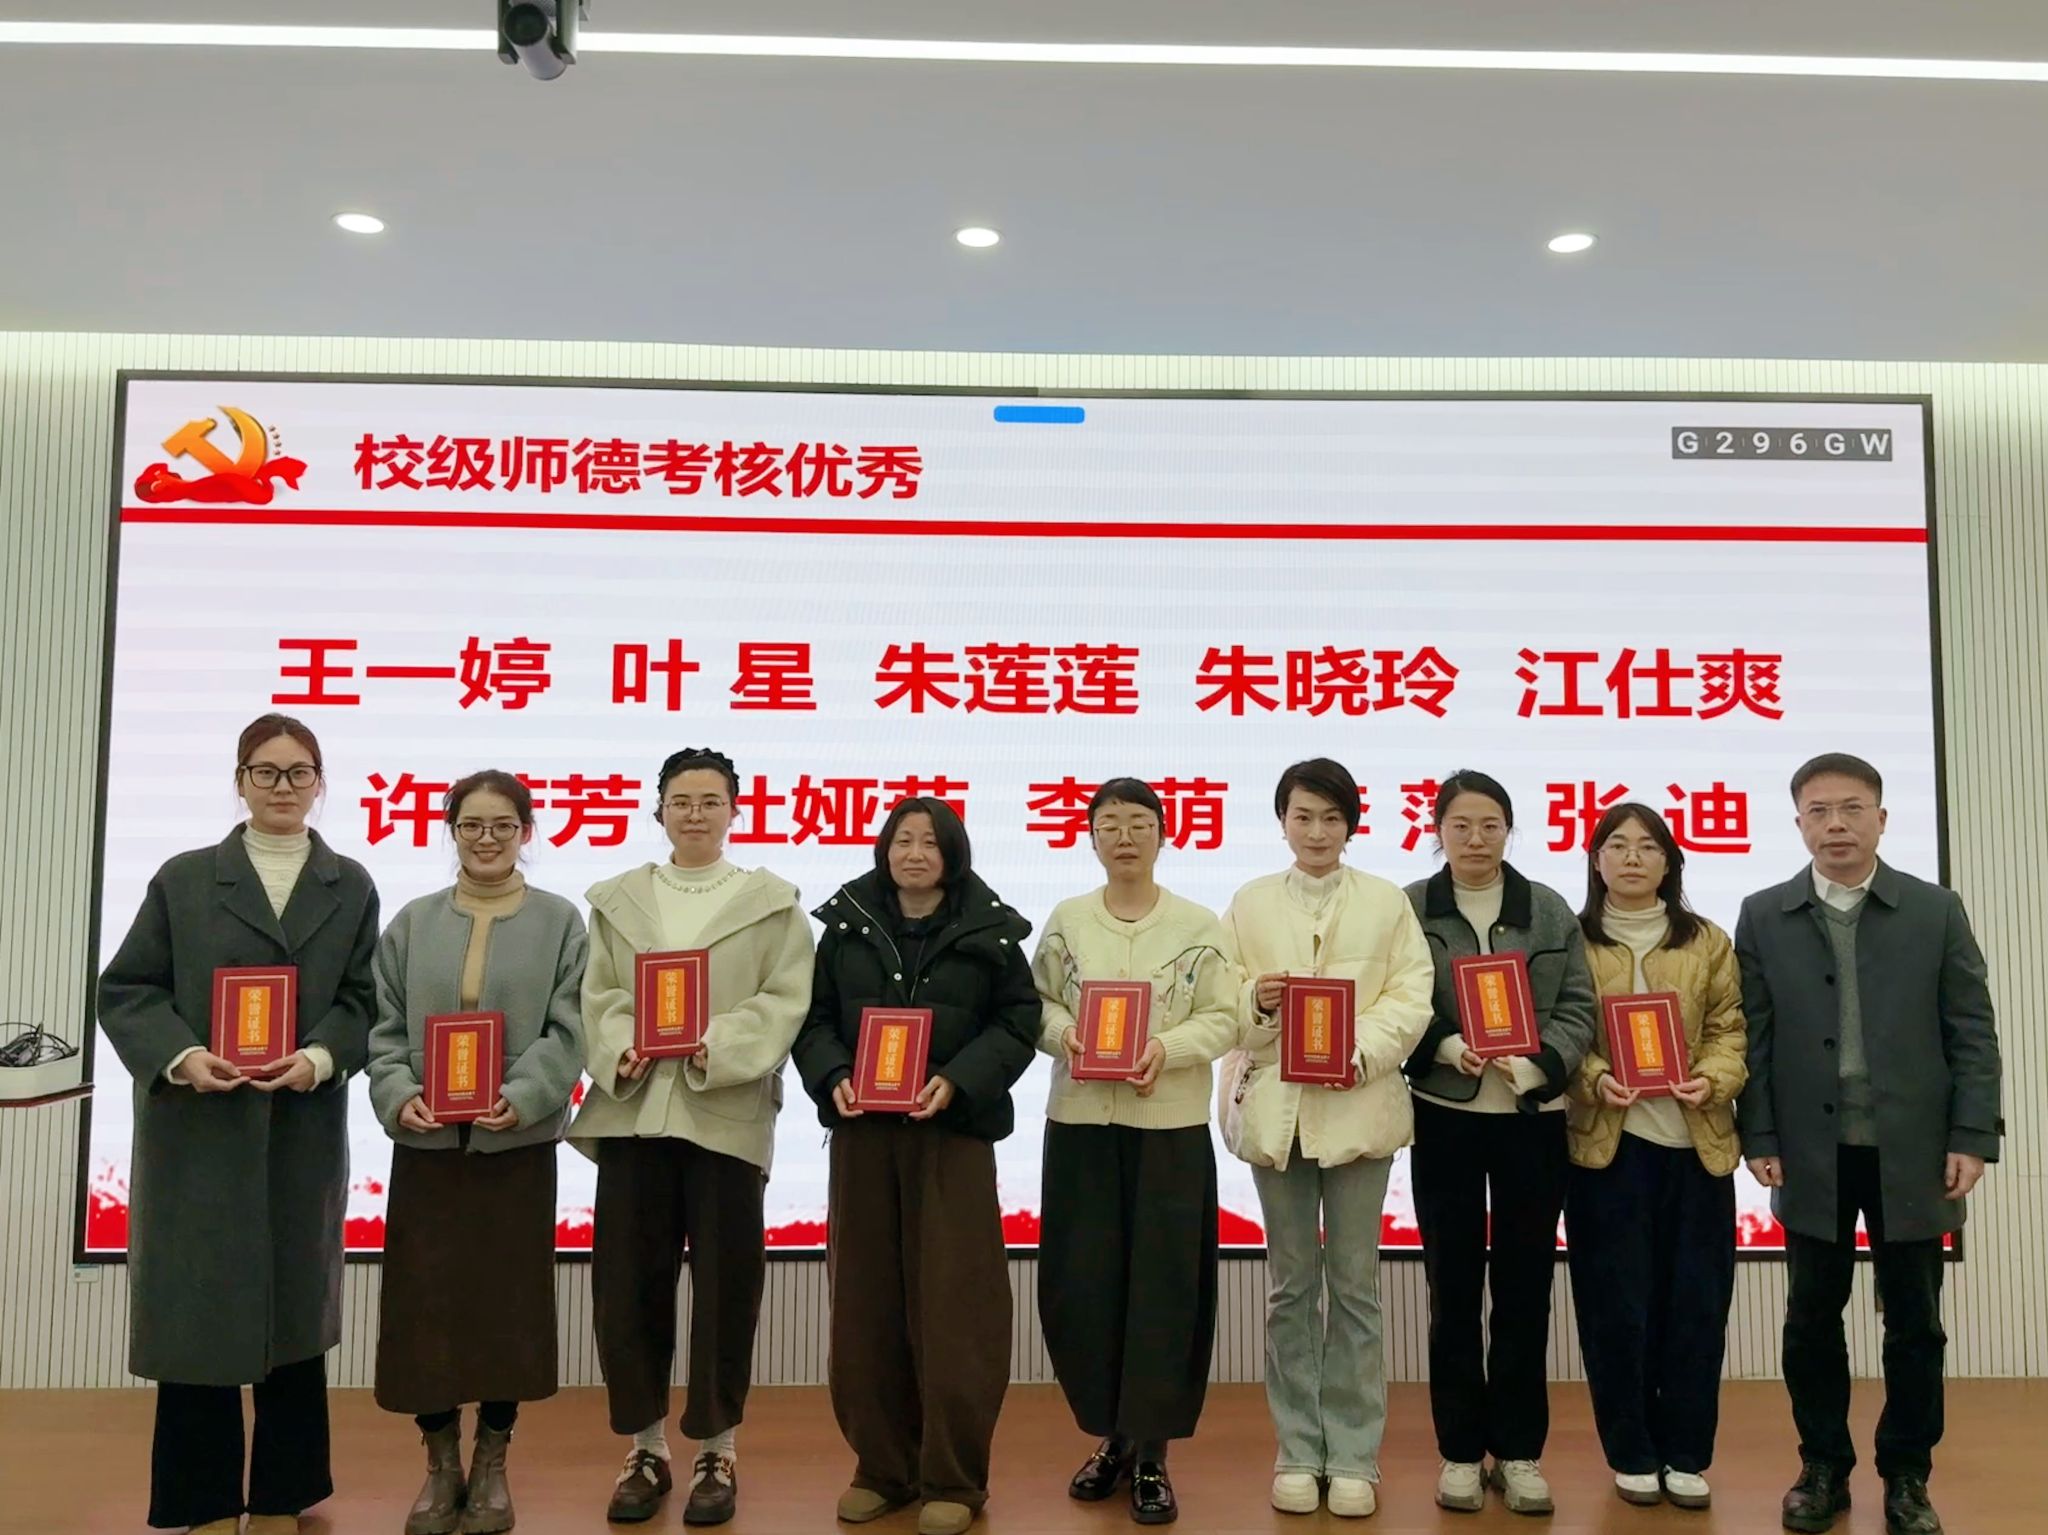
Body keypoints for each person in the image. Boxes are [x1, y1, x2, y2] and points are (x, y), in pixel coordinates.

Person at [98, 712, 379, 1535]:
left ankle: (284, 1494)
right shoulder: (185, 879)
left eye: (299, 772)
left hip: (299, 1129)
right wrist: (182, 1055)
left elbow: (364, 1000)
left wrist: (320, 1057)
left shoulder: (351, 883)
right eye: (266, 771)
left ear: (320, 784)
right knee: (199, 1318)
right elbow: (128, 989)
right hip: (199, 1130)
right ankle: (204, 1499)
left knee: (292, 1319)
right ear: (240, 780)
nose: (283, 786)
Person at [1735, 753, 2002, 1535]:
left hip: (1914, 1148)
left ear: (1881, 819)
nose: (1837, 825)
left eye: (1852, 808)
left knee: (1915, 1321)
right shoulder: (1764, 913)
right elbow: (1754, 1036)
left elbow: (1972, 1030)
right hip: (1811, 1151)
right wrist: (1760, 1133)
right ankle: (1822, 1465)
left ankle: (1908, 1473)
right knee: (1811, 1317)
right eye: (1819, 811)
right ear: (1798, 824)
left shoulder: (1934, 909)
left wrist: (1972, 1134)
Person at [568, 747, 815, 1527]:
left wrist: (716, 1042)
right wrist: (623, 1042)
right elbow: (597, 994)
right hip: (635, 1113)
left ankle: (717, 1447)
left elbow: (785, 999)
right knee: (627, 1286)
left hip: (724, 1113)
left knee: (726, 1286)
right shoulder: (617, 900)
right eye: (682, 800)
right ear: (660, 809)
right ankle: (645, 1448)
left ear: (735, 810)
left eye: (711, 800)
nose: (696, 813)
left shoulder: (771, 902)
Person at [791, 797, 1041, 1535]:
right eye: (903, 840)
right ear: (884, 849)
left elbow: (1017, 1020)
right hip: (865, 1138)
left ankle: (954, 1478)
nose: (915, 854)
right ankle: (882, 1468)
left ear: (952, 854)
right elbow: (813, 1019)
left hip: (952, 1136)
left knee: (957, 1308)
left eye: (930, 842)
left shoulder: (991, 931)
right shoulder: (846, 928)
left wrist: (959, 1079)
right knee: (865, 1305)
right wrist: (833, 1074)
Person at [366, 770, 588, 1535]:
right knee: (424, 1310)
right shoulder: (413, 921)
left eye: (502, 824)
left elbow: (570, 1028)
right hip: (427, 1144)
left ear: (527, 831)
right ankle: (440, 1465)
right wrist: (398, 1093)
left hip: (514, 1146)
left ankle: (492, 1462)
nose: (486, 838)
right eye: (471, 824)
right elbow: (383, 1027)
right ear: (451, 830)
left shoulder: (561, 921)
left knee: (505, 1309)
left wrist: (524, 1095)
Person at [1217, 759, 1434, 1519]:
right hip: (1276, 1113)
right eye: (1303, 816)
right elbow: (1220, 1001)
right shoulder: (1248, 902)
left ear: (1351, 825)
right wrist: (1256, 998)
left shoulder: (1385, 902)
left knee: (1354, 1286)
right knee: (1289, 1287)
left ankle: (1353, 1453)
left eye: (1331, 818)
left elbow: (1412, 995)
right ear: (1282, 821)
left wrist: (1357, 1050)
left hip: (1359, 1111)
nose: (1317, 832)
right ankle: (1297, 1448)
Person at [1031, 777, 1239, 1527]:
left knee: (1164, 1289)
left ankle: (1152, 1452)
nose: (1125, 836)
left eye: (1140, 823)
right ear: (1091, 837)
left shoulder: (1197, 923)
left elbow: (1225, 1017)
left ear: (1163, 834)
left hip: (1168, 1130)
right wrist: (1066, 1035)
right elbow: (1035, 1004)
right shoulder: (1068, 919)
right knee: (1087, 1285)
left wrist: (1166, 1048)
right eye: (1110, 824)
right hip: (1081, 1124)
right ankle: (1112, 1438)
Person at [1401, 769, 1596, 1517]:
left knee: (1525, 1286)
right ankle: (1458, 1450)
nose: (1475, 839)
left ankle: (1517, 1451)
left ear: (1509, 830)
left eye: (1490, 825)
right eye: (1460, 825)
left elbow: (1579, 1004)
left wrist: (1540, 1063)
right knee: (1451, 1286)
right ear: (1437, 831)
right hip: (1443, 1113)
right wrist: (1446, 1047)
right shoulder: (1410, 908)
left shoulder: (1546, 908)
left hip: (1530, 1119)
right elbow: (1397, 1001)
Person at [1563, 802, 1748, 1511]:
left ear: (1670, 862)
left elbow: (1731, 1028)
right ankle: (1632, 1450)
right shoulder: (1573, 940)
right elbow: (1562, 1030)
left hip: (1696, 1148)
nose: (1633, 857)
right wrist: (1592, 1078)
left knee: (1697, 1305)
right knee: (1615, 1308)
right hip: (1607, 1149)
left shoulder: (1707, 941)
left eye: (1648, 846)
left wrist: (1714, 1077)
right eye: (1618, 845)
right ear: (1597, 860)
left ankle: (1687, 1452)